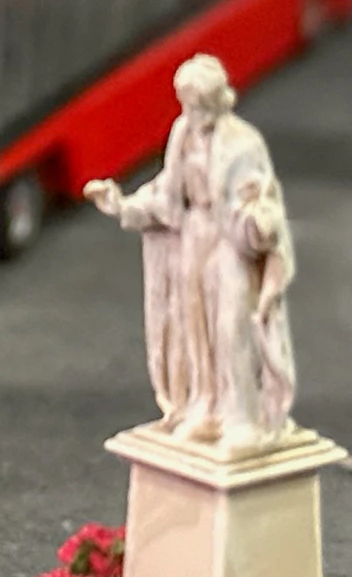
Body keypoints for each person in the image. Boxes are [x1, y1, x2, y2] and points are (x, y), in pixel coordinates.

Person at [84, 54, 295, 454]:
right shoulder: (182, 132)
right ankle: (206, 405)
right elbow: (168, 193)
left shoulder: (244, 143)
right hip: (194, 235)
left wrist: (258, 221)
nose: (190, 112)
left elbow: (262, 205)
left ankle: (242, 417)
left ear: (216, 101)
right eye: (186, 103)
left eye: (197, 104)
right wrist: (122, 204)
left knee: (231, 324)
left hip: (228, 238)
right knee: (193, 324)